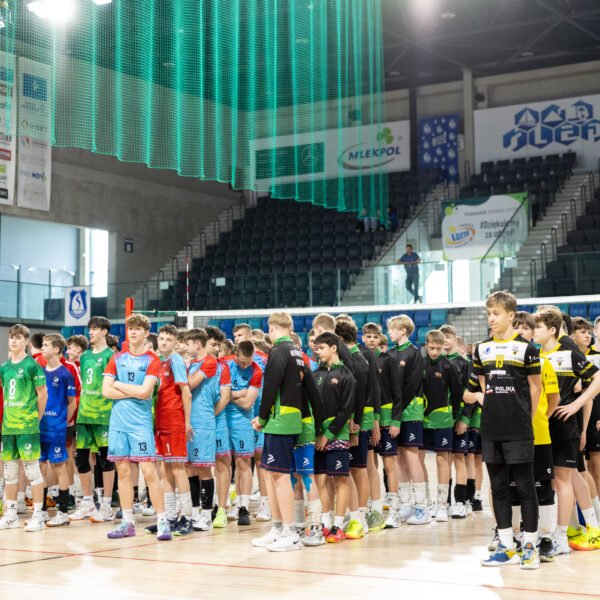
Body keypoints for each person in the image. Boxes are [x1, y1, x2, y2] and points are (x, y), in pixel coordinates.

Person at [470, 291, 542, 570]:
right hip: (491, 428)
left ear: (511, 315)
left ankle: (530, 547)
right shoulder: (481, 349)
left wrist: (526, 418)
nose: (491, 318)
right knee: (498, 488)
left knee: (525, 488)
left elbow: (535, 388)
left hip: (518, 429)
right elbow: (482, 384)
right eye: (488, 313)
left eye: (496, 313)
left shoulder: (527, 349)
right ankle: (506, 545)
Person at [252, 312, 319, 552]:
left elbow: (270, 387)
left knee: (279, 476)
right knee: (271, 474)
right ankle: (278, 527)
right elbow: (312, 390)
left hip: (279, 420)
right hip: (288, 419)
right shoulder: (297, 353)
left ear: (271, 328)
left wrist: (262, 417)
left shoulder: (278, 351)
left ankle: (290, 533)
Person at [534, 308, 600, 553]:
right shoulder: (534, 356)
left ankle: (564, 535)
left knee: (565, 478)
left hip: (564, 425)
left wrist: (576, 405)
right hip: (541, 427)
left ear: (553, 329)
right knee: (552, 480)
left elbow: (597, 378)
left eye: (538, 327)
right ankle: (560, 531)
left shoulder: (568, 352)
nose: (533, 332)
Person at [102, 313, 170, 541]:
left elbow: (145, 392)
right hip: (118, 423)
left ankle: (162, 521)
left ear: (146, 333)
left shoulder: (152, 360)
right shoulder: (117, 358)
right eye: (130, 328)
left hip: (140, 424)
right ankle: (127, 522)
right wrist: (132, 390)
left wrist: (119, 384)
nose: (133, 332)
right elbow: (105, 391)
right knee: (122, 472)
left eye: (138, 328)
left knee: (149, 472)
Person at [513, 311, 561, 562]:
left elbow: (554, 399)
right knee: (516, 488)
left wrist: (540, 418)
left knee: (544, 488)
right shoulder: (507, 362)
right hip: (512, 437)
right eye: (517, 328)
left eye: (525, 328)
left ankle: (546, 538)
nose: (521, 332)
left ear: (532, 333)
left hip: (539, 436)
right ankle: (518, 536)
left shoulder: (544, 363)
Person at [0, 324, 48, 532]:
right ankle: (10, 515)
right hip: (8, 428)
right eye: (11, 337)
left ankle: (38, 516)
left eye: (18, 337)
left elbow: (42, 394)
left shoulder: (32, 366)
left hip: (27, 427)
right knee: (10, 474)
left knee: (33, 472)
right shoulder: (4, 368)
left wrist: (36, 419)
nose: (13, 340)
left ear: (26, 342)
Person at [147, 325, 193, 536]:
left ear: (176, 343)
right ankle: (170, 517)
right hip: (161, 421)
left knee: (178, 469)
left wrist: (187, 422)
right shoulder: (160, 361)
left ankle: (187, 517)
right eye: (162, 339)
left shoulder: (175, 361)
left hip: (174, 420)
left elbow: (186, 392)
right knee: (165, 469)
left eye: (168, 340)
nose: (164, 342)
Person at [71, 316, 116, 523]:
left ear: (104, 332)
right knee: (81, 459)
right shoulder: (85, 356)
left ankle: (106, 505)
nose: (91, 332)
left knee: (105, 460)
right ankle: (88, 502)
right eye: (90, 328)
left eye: (95, 328)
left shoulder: (111, 356)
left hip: (103, 415)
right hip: (84, 415)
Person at [312, 332, 356, 544]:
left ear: (333, 348)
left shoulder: (347, 375)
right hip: (317, 435)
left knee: (340, 479)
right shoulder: (315, 374)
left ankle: (338, 525)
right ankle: (325, 522)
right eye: (316, 348)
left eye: (321, 348)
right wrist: (317, 434)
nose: (318, 352)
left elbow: (346, 410)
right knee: (320, 479)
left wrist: (328, 435)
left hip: (337, 434)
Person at [386, 314, 429, 526]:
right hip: (395, 413)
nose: (389, 333)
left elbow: (412, 386)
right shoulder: (390, 353)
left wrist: (398, 411)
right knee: (400, 458)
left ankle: (422, 507)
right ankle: (405, 504)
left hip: (410, 411)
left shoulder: (414, 353)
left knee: (412, 457)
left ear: (403, 330)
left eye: (392, 329)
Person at [422, 330, 464, 523]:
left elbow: (457, 394)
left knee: (442, 460)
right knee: (419, 459)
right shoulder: (420, 365)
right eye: (431, 348)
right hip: (422, 419)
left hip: (443, 421)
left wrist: (454, 416)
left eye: (438, 349)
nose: (434, 352)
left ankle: (442, 505)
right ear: (426, 345)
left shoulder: (449, 366)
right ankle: (426, 503)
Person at [222, 341, 262, 526]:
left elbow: (247, 403)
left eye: (249, 361)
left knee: (243, 462)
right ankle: (222, 506)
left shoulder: (256, 371)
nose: (246, 365)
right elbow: (217, 393)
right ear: (235, 354)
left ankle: (243, 507)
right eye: (242, 362)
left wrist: (228, 395)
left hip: (243, 420)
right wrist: (239, 393)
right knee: (223, 462)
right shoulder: (224, 363)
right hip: (222, 417)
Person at [184, 328, 219, 532]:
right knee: (189, 466)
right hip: (188, 419)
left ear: (197, 344)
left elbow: (189, 384)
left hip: (203, 421)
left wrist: (181, 374)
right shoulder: (191, 363)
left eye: (188, 344)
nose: (185, 347)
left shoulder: (209, 362)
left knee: (204, 467)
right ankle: (195, 512)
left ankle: (207, 515)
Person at [40, 334, 76, 527]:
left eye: (46, 345)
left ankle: (62, 512)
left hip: (56, 429)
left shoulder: (65, 374)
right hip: (40, 427)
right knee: (40, 467)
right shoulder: (39, 372)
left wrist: (63, 422)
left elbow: (72, 403)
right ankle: (42, 511)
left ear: (56, 349)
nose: (42, 348)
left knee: (59, 467)